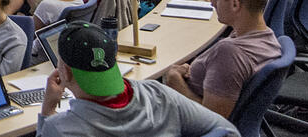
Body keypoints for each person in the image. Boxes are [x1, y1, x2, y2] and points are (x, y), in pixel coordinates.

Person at [38, 22, 238, 137]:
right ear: (114, 61)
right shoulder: (158, 94)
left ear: (64, 72)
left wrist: (48, 111)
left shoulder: (61, 129)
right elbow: (228, 132)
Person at [163, 0, 283, 118]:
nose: (212, 3)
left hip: (176, 118)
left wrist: (175, 81)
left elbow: (212, 120)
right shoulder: (268, 38)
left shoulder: (230, 53)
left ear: (234, 5)